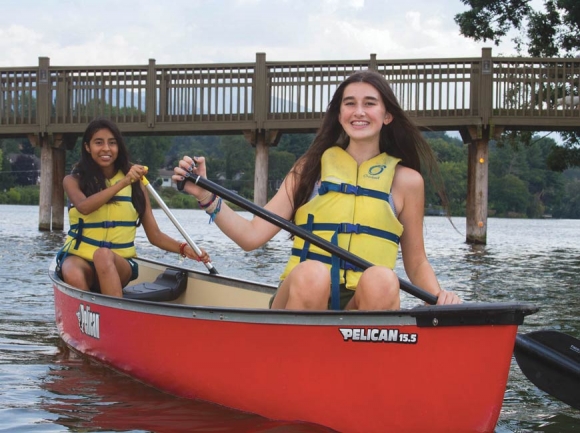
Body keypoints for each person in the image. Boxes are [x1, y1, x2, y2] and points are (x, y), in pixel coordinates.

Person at [173, 70, 461, 310]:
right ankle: (293, 364)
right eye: (349, 104)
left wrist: (441, 299)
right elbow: (251, 237)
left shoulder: (407, 181)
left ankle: (365, 370)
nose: (359, 112)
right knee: (313, 273)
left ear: (387, 116)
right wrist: (206, 196)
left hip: (360, 306)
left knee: (384, 279)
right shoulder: (309, 169)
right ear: (339, 114)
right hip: (301, 296)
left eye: (370, 103)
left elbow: (417, 262)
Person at [57, 118, 210, 297]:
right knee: (71, 270)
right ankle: (88, 316)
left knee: (103, 255)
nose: (106, 148)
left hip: (119, 264)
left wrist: (184, 248)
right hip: (80, 259)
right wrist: (124, 182)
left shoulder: (136, 184)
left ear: (119, 148)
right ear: (87, 147)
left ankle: (115, 315)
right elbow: (83, 207)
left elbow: (155, 236)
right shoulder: (73, 181)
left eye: (112, 143)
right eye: (99, 142)